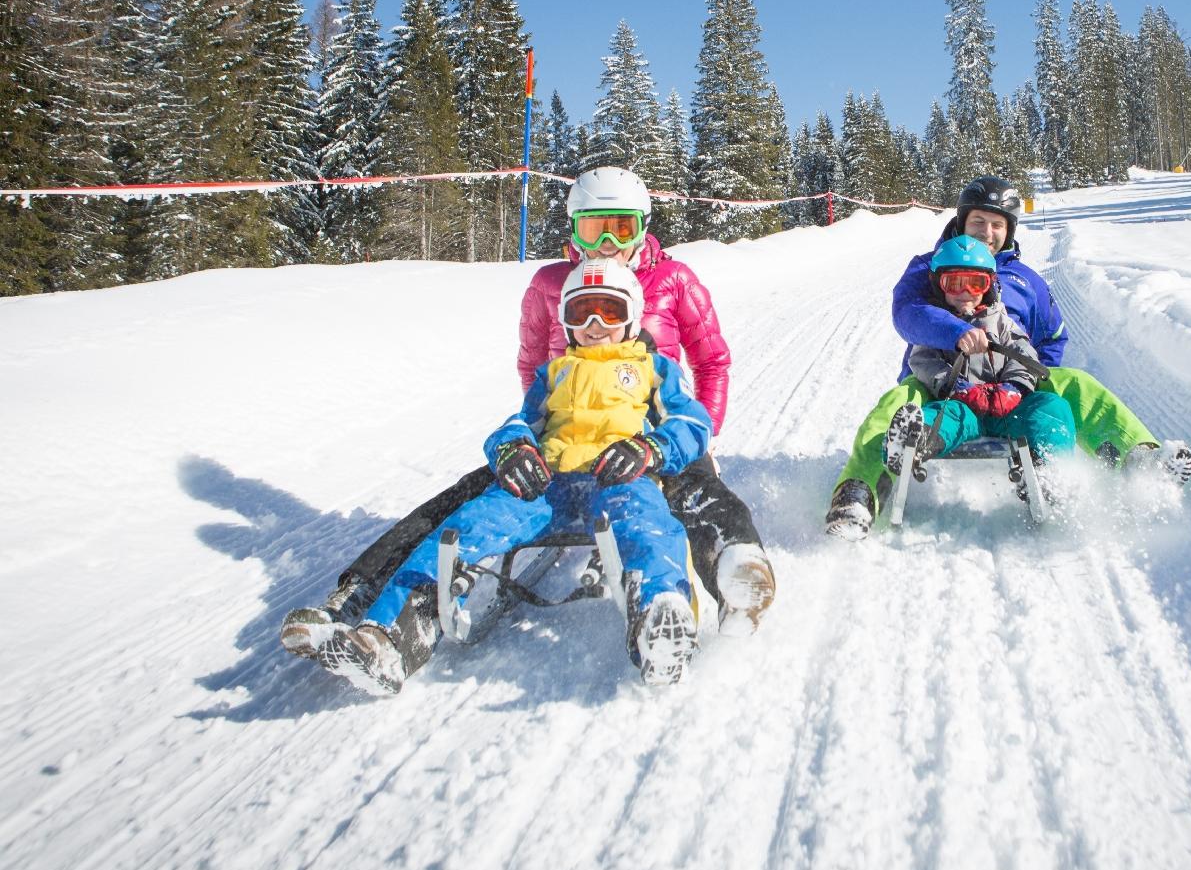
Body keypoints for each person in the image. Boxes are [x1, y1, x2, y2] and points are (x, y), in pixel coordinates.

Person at [283, 166, 773, 661]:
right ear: (573, 227)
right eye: (592, 227)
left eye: (620, 227)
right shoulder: (550, 284)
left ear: (642, 226)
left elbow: (712, 362)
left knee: (698, 491)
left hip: (650, 436)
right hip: (563, 448)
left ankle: (733, 570)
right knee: (466, 498)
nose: (606, 242)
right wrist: (539, 435)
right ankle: (363, 597)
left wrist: (690, 440)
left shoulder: (672, 280)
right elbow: (532, 367)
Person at [306, 258, 711, 694]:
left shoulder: (653, 369)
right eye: (580, 313)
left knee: (650, 524)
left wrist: (650, 448)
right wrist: (512, 449)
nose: (595, 324)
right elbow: (519, 424)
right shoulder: (554, 374)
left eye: (609, 311)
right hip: (548, 485)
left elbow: (693, 424)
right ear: (566, 321)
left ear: (631, 317)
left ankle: (660, 617)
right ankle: (391, 634)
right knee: (467, 526)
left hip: (618, 479)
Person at [825, 174, 1191, 536]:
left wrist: (1025, 386)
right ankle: (859, 493)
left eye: (997, 224)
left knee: (1076, 386)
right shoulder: (928, 266)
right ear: (961, 220)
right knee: (897, 403)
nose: (987, 232)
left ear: (1010, 230)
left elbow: (1051, 336)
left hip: (1013, 386)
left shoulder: (1026, 280)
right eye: (978, 221)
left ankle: (1136, 459)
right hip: (939, 383)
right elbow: (906, 313)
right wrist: (958, 333)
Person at [828, 238, 1075, 535]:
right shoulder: (939, 326)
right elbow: (923, 361)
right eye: (954, 283)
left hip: (1007, 408)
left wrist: (1014, 388)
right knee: (944, 417)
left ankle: (1051, 476)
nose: (965, 294)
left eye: (975, 283)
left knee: (1051, 409)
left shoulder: (1003, 324)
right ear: (938, 285)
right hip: (960, 405)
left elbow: (1025, 356)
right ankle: (914, 438)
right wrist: (955, 387)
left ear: (990, 285)